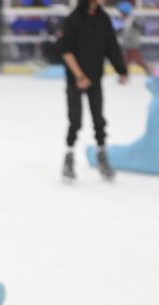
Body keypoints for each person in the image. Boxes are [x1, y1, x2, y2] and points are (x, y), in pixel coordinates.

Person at [57, 0, 128, 182]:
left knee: (99, 119)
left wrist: (121, 70)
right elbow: (66, 51)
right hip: (76, 80)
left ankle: (102, 155)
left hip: (95, 77)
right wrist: (80, 76)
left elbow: (111, 47)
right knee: (75, 120)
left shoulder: (103, 18)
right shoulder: (73, 19)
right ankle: (69, 157)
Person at [117, 1, 150, 76]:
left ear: (124, 12)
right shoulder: (126, 20)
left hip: (132, 44)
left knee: (135, 59)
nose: (119, 14)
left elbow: (137, 29)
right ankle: (124, 73)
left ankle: (147, 70)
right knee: (127, 59)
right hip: (129, 43)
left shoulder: (132, 20)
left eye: (120, 12)